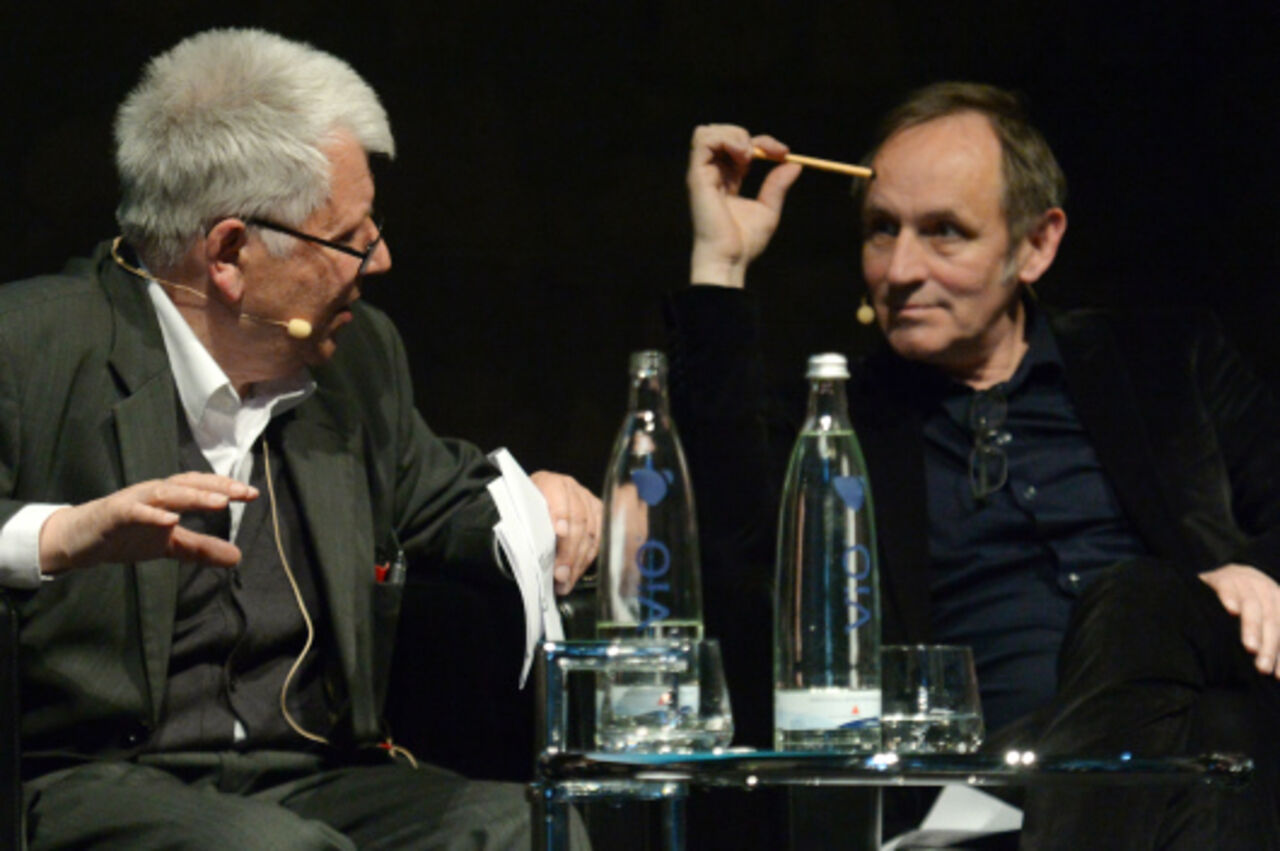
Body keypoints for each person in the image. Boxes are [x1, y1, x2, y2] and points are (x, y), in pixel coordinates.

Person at [0, 28, 599, 849]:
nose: (381, 258)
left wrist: (545, 506)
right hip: (92, 779)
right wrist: (61, 535)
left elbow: (442, 496)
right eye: (351, 238)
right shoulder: (29, 345)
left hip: (314, 777)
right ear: (230, 254)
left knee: (521, 828)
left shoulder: (359, 358)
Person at [668, 82, 1280, 848]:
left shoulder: (1166, 362)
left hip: (1199, 704)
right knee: (1210, 769)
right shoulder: (843, 422)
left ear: (1036, 244)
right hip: (983, 796)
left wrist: (1259, 571)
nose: (899, 269)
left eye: (944, 233)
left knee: (1146, 610)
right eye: (881, 230)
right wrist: (717, 265)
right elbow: (726, 554)